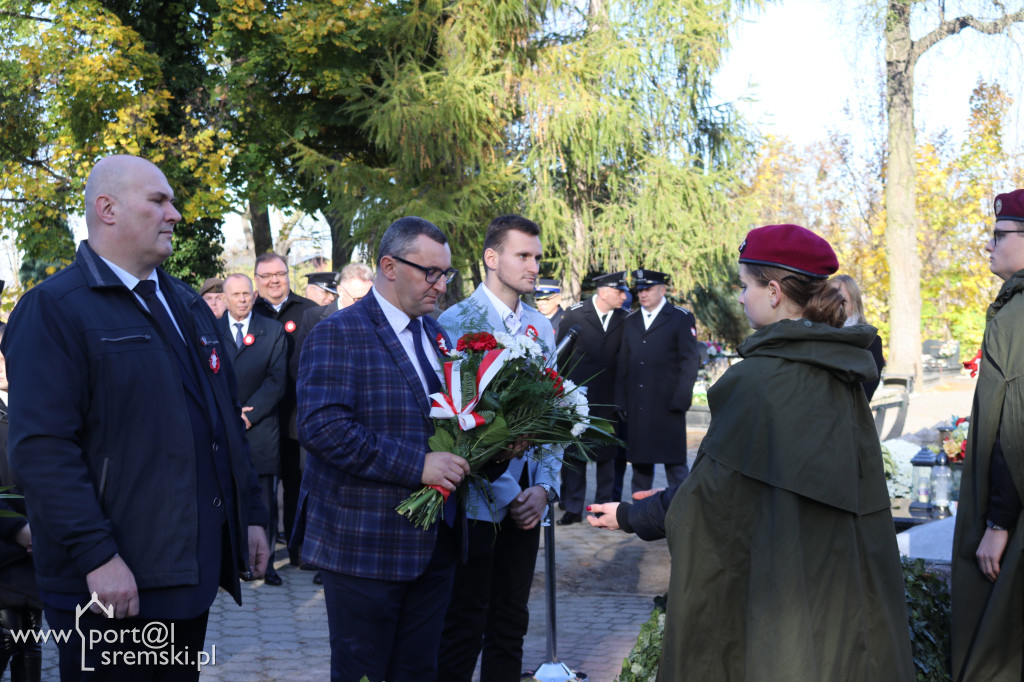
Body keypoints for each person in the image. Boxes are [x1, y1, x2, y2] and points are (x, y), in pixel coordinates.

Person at [588, 223, 913, 681]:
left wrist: (629, 516)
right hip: (836, 596)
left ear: (775, 291)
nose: (741, 298)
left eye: (745, 286)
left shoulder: (758, 381)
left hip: (781, 596)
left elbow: (709, 501)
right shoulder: (844, 369)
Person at [0, 155, 269, 681]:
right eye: (158, 201)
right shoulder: (54, 309)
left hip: (185, 574)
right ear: (107, 209)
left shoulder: (187, 304)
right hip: (110, 584)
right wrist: (97, 555)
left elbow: (221, 423)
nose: (174, 214)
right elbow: (43, 451)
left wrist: (251, 516)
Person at [295, 216, 470, 682]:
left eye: (446, 274)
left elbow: (451, 428)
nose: (441, 285)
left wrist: (499, 444)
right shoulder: (338, 333)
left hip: (437, 547)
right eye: (430, 272)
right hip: (365, 548)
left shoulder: (439, 338)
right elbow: (323, 428)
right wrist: (418, 466)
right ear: (388, 266)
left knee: (418, 672)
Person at [435, 214, 561, 682]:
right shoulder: (455, 323)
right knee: (465, 622)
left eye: (537, 257)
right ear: (492, 258)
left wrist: (545, 489)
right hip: (477, 500)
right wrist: (509, 489)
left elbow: (552, 420)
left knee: (511, 621)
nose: (533, 267)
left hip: (527, 503)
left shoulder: (540, 327)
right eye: (523, 256)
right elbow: (457, 423)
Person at [952, 188, 1024, 681]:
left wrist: (998, 525)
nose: (989, 245)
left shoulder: (1017, 316)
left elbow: (1015, 425)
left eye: (1001, 235)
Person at [219, 274, 288, 586]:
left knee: (265, 501)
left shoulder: (271, 330)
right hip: (221, 428)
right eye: (236, 294)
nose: (243, 300)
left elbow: (277, 379)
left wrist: (248, 414)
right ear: (224, 297)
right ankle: (230, 561)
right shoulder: (208, 331)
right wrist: (228, 412)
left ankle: (267, 562)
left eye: (247, 293)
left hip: (260, 429)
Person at [252, 252, 316, 566]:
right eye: (266, 276)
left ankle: (298, 549)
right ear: (256, 280)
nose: (274, 281)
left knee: (295, 485)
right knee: (261, 487)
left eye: (279, 274)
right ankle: (257, 553)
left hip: (295, 416)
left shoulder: (309, 312)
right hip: (258, 418)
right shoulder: (246, 312)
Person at [615, 269, 702, 493]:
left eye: (648, 289)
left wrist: (682, 400)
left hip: (667, 405)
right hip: (639, 405)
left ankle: (682, 517)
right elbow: (623, 363)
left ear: (662, 290)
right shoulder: (631, 320)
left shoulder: (680, 318)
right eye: (640, 290)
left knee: (675, 467)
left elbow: (689, 362)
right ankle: (640, 517)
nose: (643, 294)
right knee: (640, 468)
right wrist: (621, 401)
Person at [556, 271, 629, 525]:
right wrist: (562, 394)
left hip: (610, 400)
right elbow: (561, 357)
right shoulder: (576, 315)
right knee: (575, 455)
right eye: (620, 291)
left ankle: (603, 508)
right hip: (578, 400)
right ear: (604, 292)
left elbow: (626, 363)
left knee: (607, 459)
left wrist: (622, 400)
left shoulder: (624, 318)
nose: (624, 296)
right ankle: (574, 508)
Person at [0, 323, 43, 682]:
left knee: (29, 639)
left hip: (36, 545)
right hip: (7, 543)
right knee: (7, 637)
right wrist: (17, 529)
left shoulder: (35, 406)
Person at [833, 274, 886, 400]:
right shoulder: (817, 335)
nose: (831, 302)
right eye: (827, 296)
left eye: (839, 298)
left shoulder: (871, 342)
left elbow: (865, 393)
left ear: (854, 303)